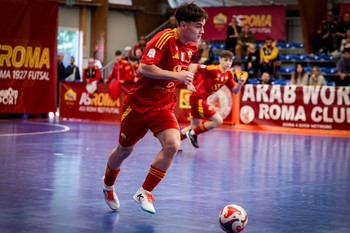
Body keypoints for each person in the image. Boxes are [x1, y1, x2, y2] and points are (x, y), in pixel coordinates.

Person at [101, 2, 207, 214]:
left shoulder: (192, 47)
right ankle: (107, 185)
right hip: (138, 106)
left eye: (203, 26)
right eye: (198, 26)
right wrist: (176, 75)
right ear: (184, 25)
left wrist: (184, 80)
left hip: (163, 106)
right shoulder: (164, 39)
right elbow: (144, 68)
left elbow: (176, 69)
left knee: (172, 145)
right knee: (124, 151)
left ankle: (144, 192)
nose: (202, 31)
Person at [180, 50, 244, 148]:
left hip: (200, 98)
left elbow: (235, 91)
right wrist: (189, 83)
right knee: (218, 121)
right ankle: (192, 134)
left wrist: (239, 83)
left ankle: (172, 143)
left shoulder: (229, 74)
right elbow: (193, 66)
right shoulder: (213, 69)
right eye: (225, 60)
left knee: (195, 127)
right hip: (198, 98)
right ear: (220, 60)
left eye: (230, 61)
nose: (228, 63)